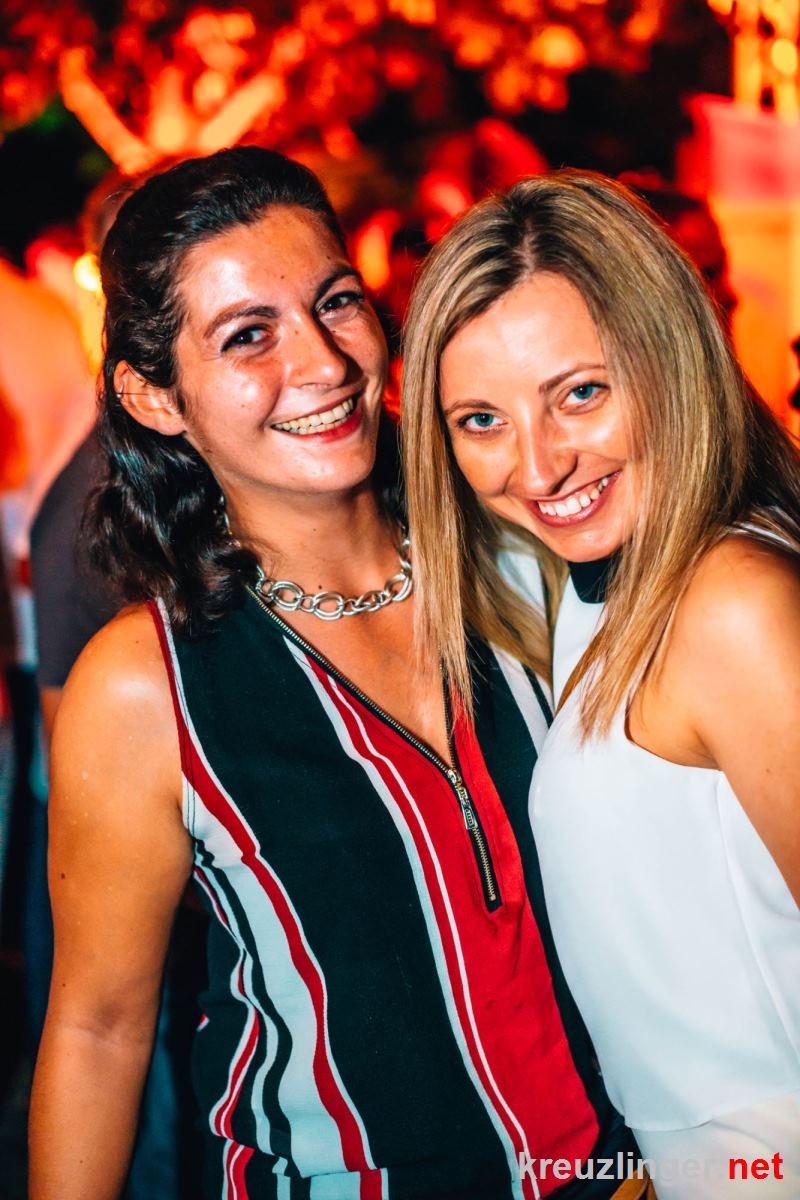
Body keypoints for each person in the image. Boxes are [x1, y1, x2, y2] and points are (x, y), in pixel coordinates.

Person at [29, 148, 643, 1200]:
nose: (322, 362)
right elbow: (98, 1027)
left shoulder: (523, 550)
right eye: (247, 336)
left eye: (336, 302)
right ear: (154, 395)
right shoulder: (147, 685)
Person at [401, 169, 800, 1199]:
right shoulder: (599, 581)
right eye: (479, 421)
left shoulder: (729, 604)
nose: (538, 467)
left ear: (669, 359)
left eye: (579, 393)